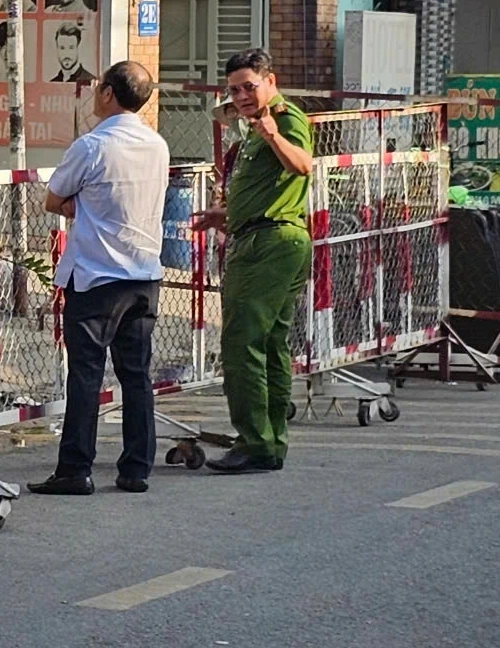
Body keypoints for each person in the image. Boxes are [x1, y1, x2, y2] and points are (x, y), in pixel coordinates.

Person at [28, 61, 170, 496]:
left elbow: (53, 199)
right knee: (136, 374)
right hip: (143, 274)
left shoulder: (91, 146)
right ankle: (137, 468)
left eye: (98, 86)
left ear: (108, 92)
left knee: (86, 375)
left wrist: (82, 205)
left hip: (96, 277)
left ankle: (75, 469)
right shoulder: (157, 145)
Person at [194, 48, 313, 475]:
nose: (242, 96)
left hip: (269, 244)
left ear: (270, 81)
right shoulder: (255, 127)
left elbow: (303, 165)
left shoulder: (283, 119)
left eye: (249, 87)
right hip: (264, 236)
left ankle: (254, 441)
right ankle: (270, 442)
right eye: (234, 90)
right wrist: (225, 216)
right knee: (270, 344)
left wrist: (273, 135)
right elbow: (269, 189)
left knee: (242, 342)